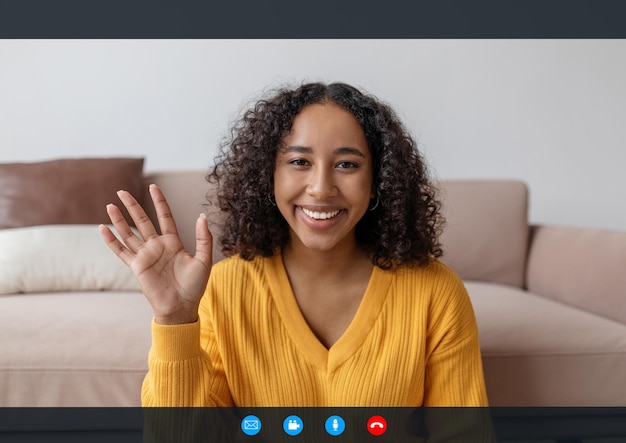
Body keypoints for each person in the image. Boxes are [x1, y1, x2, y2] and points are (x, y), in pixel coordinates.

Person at [99, 82, 489, 410]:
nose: (320, 188)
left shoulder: (435, 292)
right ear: (269, 176)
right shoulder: (222, 289)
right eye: (300, 162)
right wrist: (174, 319)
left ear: (379, 182)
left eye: (347, 165)